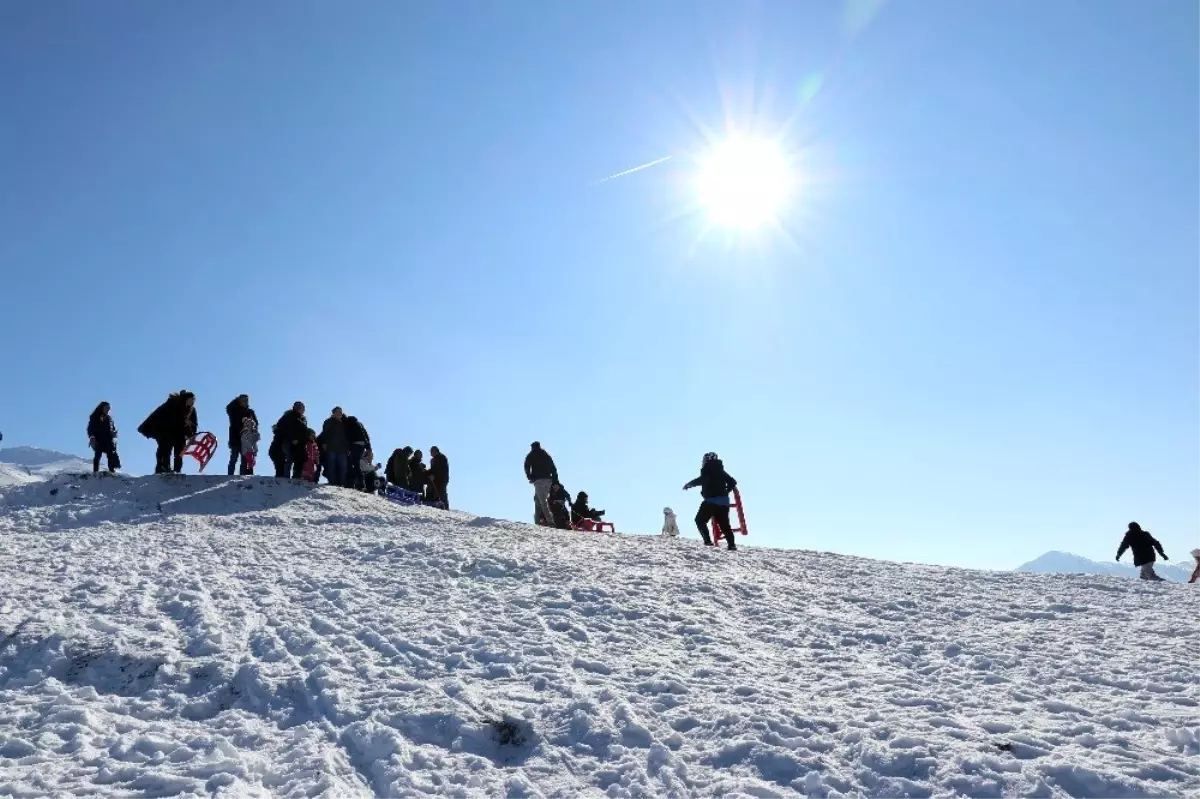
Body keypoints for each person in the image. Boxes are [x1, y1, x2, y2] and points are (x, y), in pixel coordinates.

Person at [683, 452, 739, 550]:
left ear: (706, 460)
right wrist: (726, 491)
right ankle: (732, 545)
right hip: (724, 501)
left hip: (711, 501)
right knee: (724, 525)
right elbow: (733, 482)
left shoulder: (707, 469)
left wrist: (690, 484)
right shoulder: (721, 470)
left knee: (700, 520)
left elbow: (703, 479)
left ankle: (708, 542)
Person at [138, 390, 197, 474]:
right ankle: (163, 469)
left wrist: (192, 434)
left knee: (179, 452)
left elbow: (194, 423)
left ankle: (177, 470)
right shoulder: (172, 405)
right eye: (191, 400)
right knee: (165, 450)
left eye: (193, 400)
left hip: (180, 433)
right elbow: (163, 418)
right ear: (185, 399)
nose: (192, 402)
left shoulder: (191, 410)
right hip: (166, 431)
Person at [524, 441, 558, 527]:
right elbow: (553, 468)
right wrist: (555, 482)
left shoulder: (531, 455)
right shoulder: (546, 455)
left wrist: (530, 477)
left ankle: (550, 522)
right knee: (537, 500)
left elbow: (526, 466)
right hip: (548, 481)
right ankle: (537, 522)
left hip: (538, 481)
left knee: (542, 501)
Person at [272, 402, 308, 479]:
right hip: (289, 442)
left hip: (300, 444)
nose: (303, 410)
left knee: (299, 460)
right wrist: (292, 439)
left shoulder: (302, 419)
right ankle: (285, 477)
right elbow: (285, 430)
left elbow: (304, 432)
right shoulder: (289, 416)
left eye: (303, 408)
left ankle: (297, 476)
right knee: (288, 459)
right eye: (301, 408)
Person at [225, 395, 258, 476]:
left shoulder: (250, 412)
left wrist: (253, 432)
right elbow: (228, 408)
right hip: (235, 438)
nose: (245, 402)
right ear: (239, 401)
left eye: (247, 400)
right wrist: (236, 401)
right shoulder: (234, 410)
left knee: (245, 460)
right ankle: (230, 475)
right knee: (234, 458)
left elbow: (256, 423)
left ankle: (242, 476)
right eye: (243, 400)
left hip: (247, 439)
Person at [87, 402, 121, 473]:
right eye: (106, 408)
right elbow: (90, 428)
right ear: (102, 408)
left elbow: (112, 428)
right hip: (98, 439)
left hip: (108, 440)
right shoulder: (95, 416)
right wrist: (92, 437)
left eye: (109, 409)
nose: (108, 410)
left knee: (110, 455)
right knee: (97, 455)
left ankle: (111, 470)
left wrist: (114, 433)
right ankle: (95, 472)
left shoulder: (109, 418)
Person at [321, 407, 350, 487]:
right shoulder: (328, 422)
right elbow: (324, 433)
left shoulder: (344, 424)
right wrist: (324, 443)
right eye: (338, 412)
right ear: (333, 413)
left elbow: (347, 436)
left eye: (341, 412)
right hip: (331, 447)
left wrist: (348, 447)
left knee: (343, 467)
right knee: (331, 465)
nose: (340, 413)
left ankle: (341, 483)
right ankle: (332, 482)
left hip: (342, 449)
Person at [344, 415, 370, 489]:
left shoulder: (348, 424)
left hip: (355, 445)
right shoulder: (359, 423)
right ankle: (359, 484)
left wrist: (348, 448)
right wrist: (368, 447)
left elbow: (348, 436)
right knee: (356, 464)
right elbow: (366, 435)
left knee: (353, 464)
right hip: (362, 445)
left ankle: (353, 484)